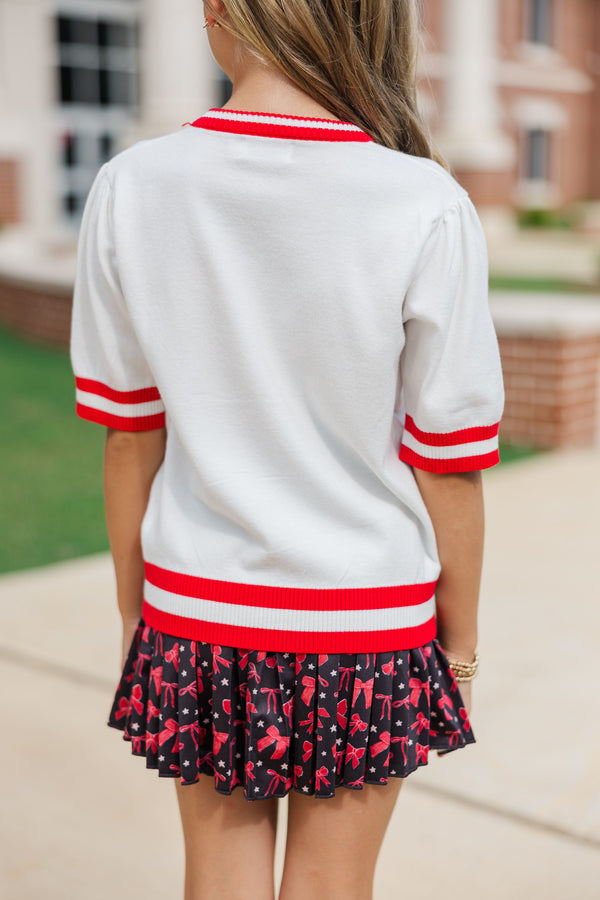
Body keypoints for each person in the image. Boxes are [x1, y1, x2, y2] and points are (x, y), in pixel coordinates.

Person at [69, 1, 505, 898]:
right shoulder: (425, 200)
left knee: (217, 883)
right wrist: (458, 647)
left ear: (218, 12)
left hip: (195, 610)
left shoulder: (132, 183)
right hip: (368, 624)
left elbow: (129, 431)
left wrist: (132, 613)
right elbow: (448, 458)